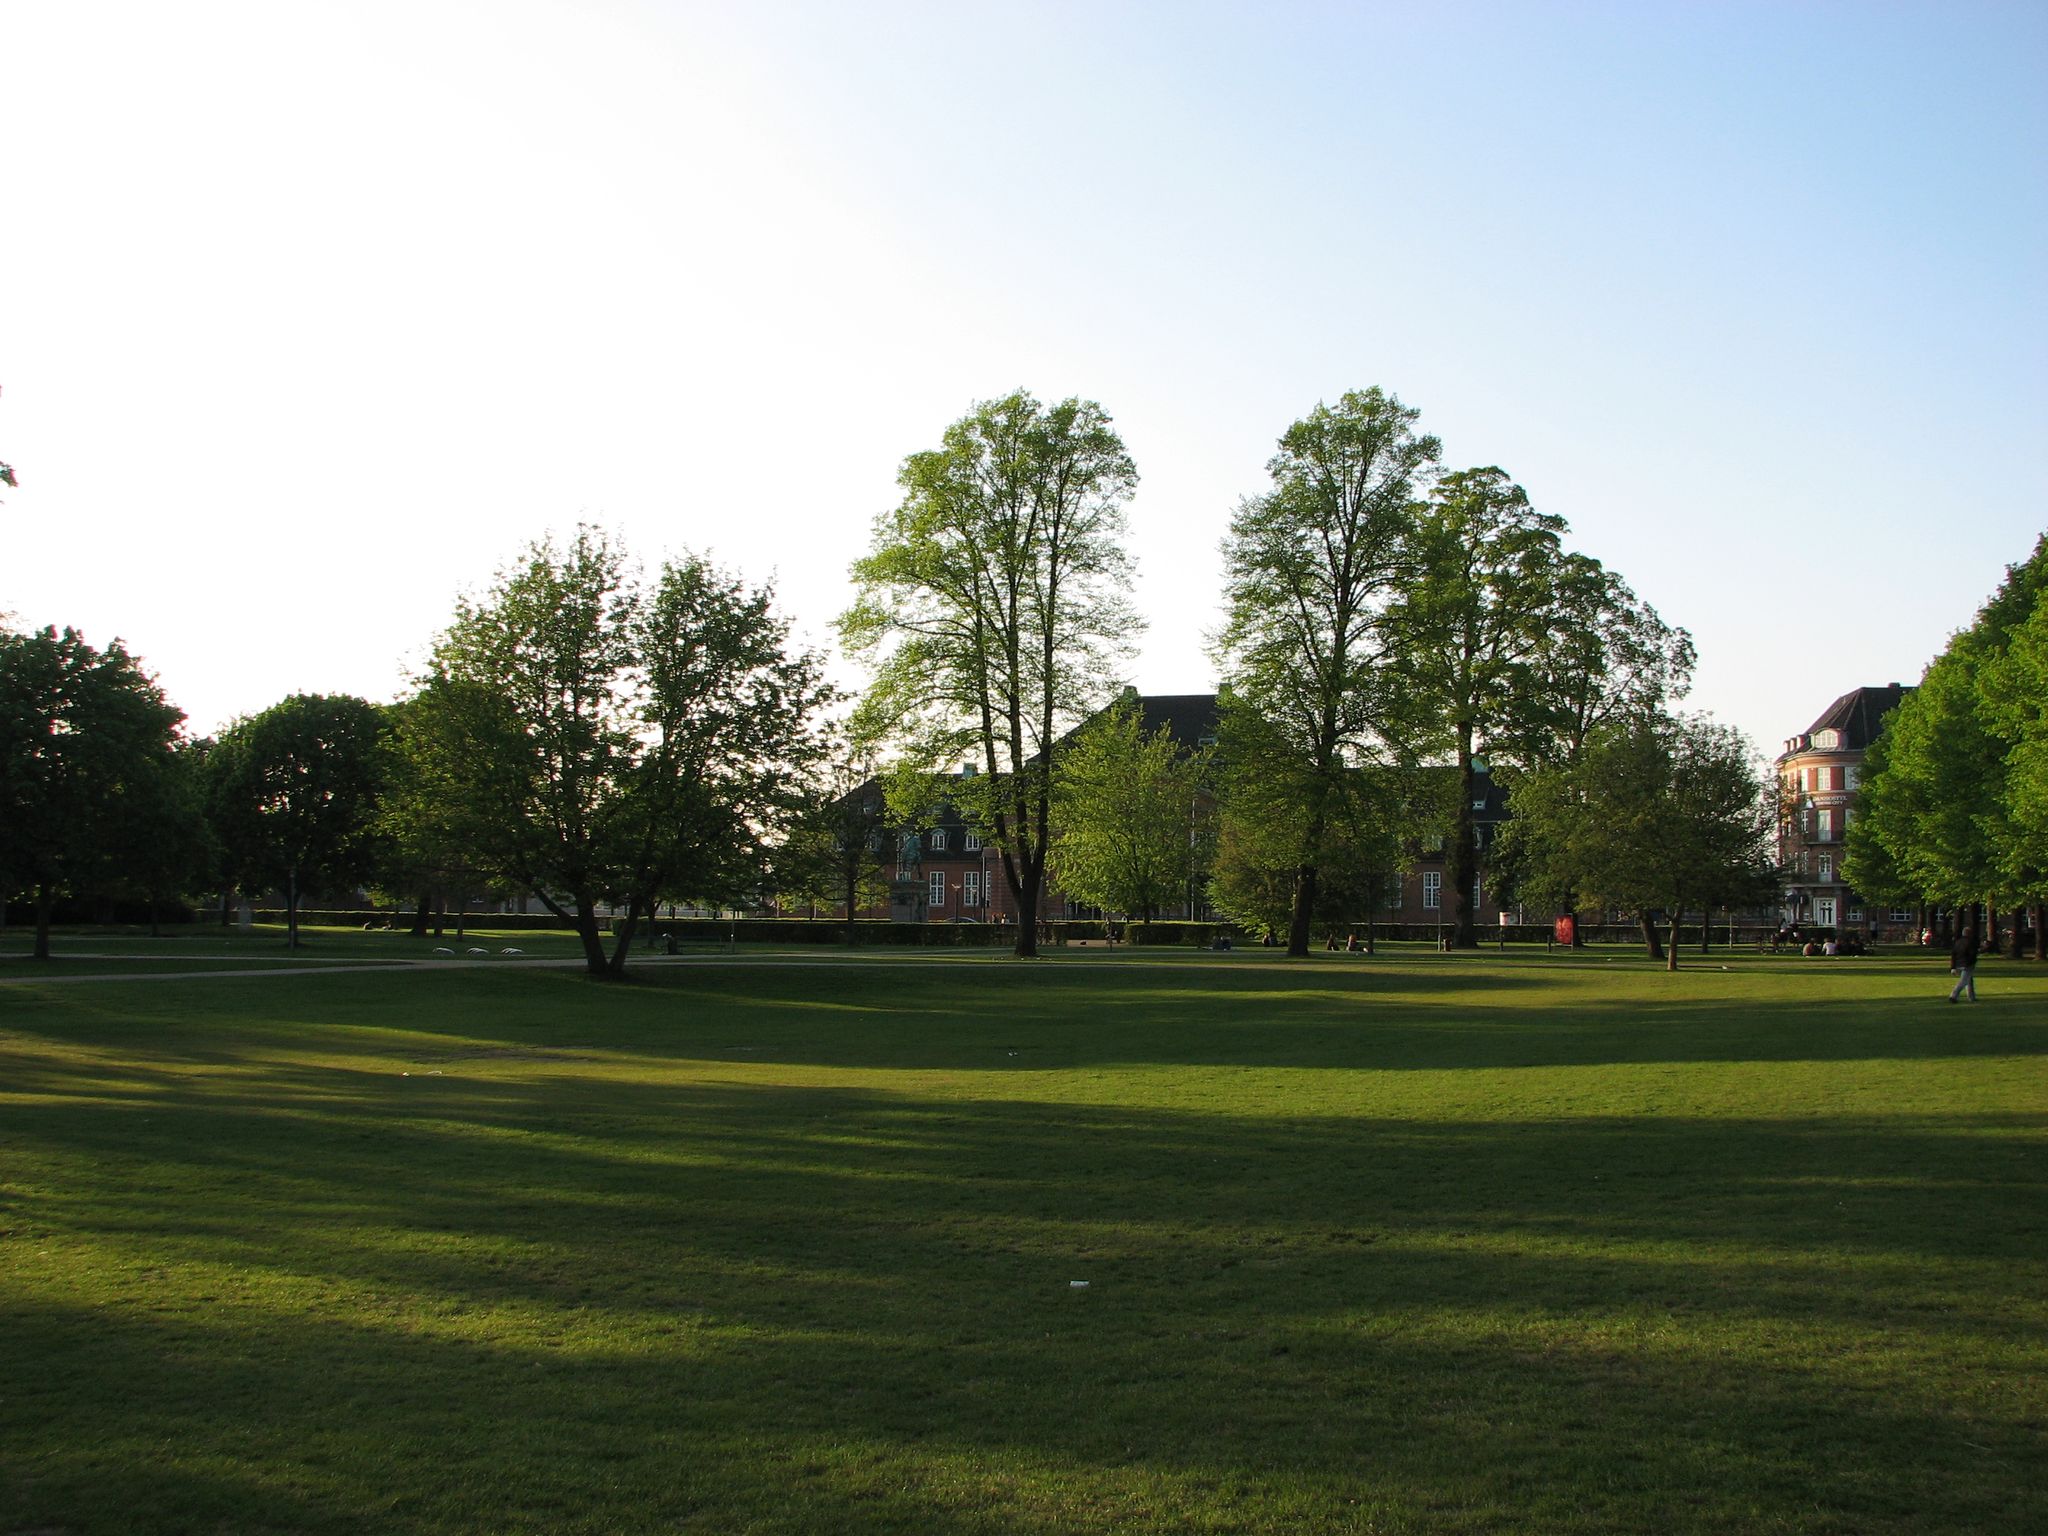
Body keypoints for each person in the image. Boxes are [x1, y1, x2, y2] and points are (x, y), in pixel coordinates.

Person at [1948, 924, 1980, 1003]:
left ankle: (1971, 997)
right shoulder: (1971, 942)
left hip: (1958, 963)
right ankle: (1953, 995)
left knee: (1969, 980)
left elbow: (1953, 954)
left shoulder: (1958, 942)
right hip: (1967, 964)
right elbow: (1972, 954)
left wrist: (1953, 967)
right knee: (1964, 981)